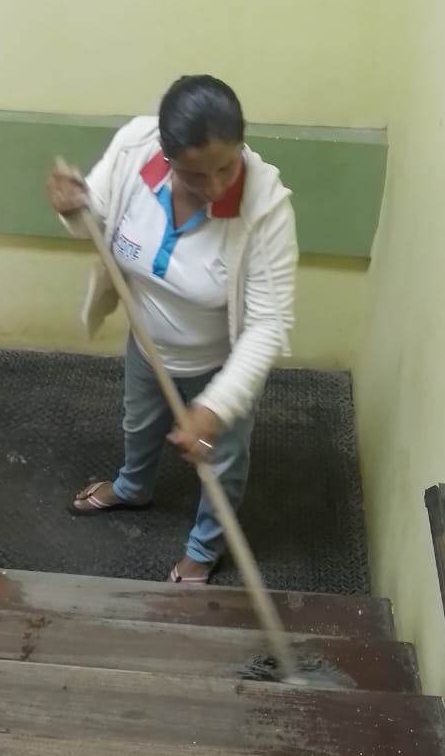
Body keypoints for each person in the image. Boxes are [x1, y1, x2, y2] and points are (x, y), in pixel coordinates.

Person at [46, 74, 297, 584]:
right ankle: (133, 487)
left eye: (226, 166)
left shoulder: (266, 207)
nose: (216, 186)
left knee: (221, 464)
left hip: (220, 366)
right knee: (138, 426)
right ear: (166, 156)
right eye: (195, 174)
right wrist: (72, 209)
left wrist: (213, 409)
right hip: (147, 344)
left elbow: (269, 323)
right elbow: (96, 219)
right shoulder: (133, 150)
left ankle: (205, 547)